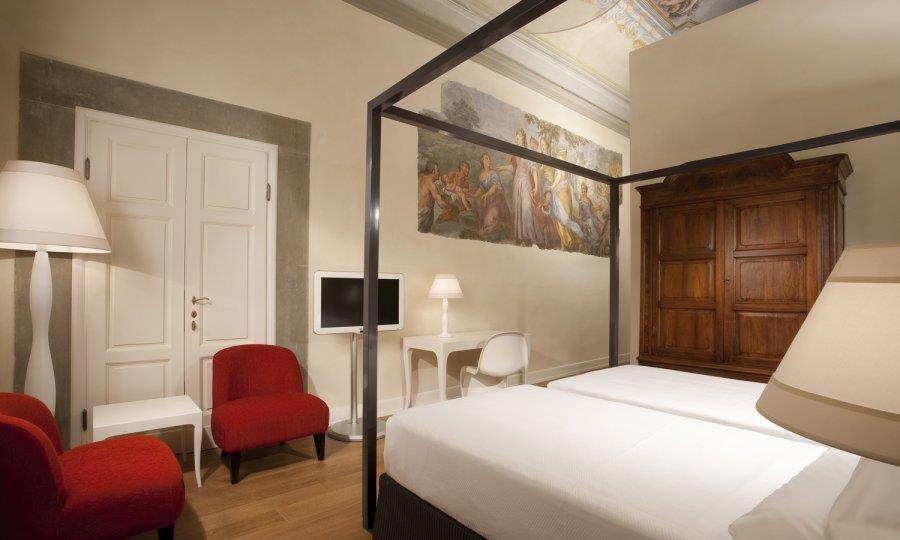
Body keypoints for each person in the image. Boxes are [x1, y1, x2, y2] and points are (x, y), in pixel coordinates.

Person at [494, 128, 541, 246]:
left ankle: (531, 237)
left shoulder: (528, 152)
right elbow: (513, 168)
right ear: (516, 137)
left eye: (520, 135)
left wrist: (536, 186)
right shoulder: (515, 153)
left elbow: (534, 169)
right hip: (517, 183)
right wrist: (502, 168)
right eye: (517, 136)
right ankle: (522, 238)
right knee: (519, 209)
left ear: (523, 137)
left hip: (525, 182)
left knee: (527, 208)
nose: (519, 137)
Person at [549, 147, 583, 251]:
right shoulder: (566, 164)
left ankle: (569, 241)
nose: (562, 155)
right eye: (561, 154)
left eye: (562, 154)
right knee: (565, 215)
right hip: (565, 191)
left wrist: (552, 186)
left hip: (562, 192)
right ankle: (568, 241)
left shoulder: (560, 163)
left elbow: (561, 176)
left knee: (562, 216)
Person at [471, 153, 512, 238]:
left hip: (497, 198)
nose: (489, 160)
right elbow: (481, 188)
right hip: (488, 198)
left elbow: (495, 187)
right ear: (482, 161)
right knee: (477, 201)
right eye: (486, 158)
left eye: (489, 158)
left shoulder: (493, 173)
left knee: (490, 220)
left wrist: (487, 194)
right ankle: (482, 226)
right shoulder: (481, 175)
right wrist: (474, 195)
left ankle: (499, 224)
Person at [418, 160, 447, 233]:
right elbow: (441, 203)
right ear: (433, 171)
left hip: (417, 211)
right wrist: (453, 207)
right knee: (429, 208)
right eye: (438, 170)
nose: (439, 172)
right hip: (422, 215)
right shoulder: (431, 184)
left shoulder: (421, 176)